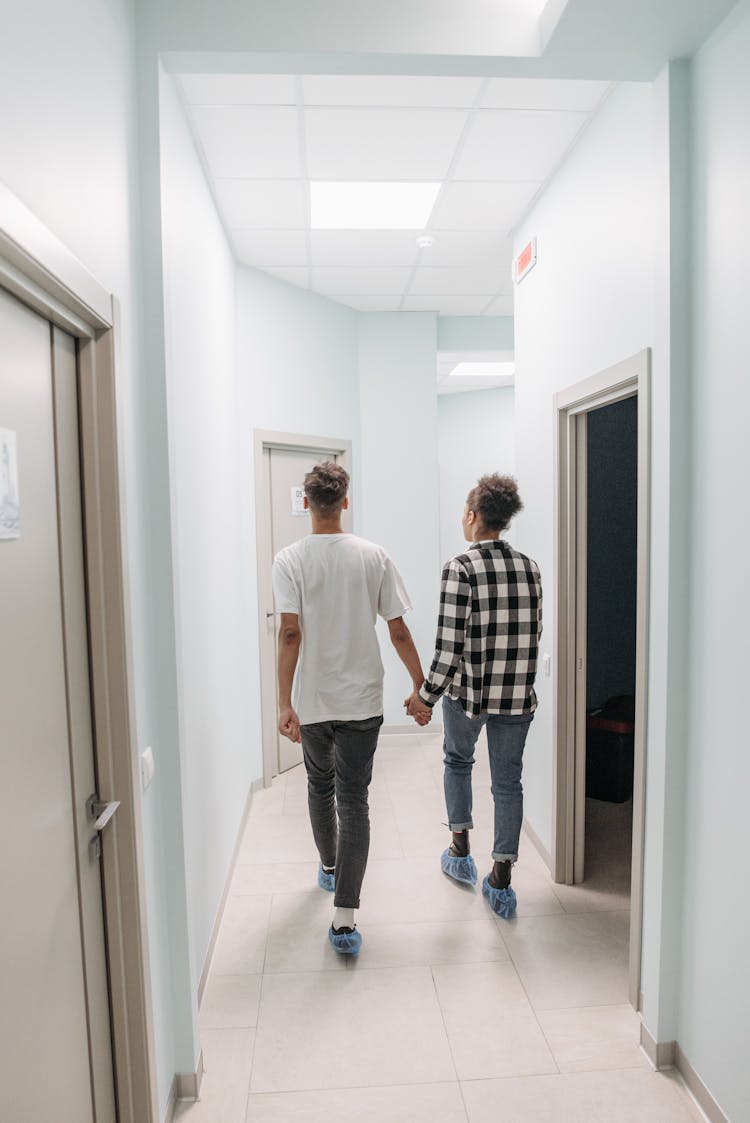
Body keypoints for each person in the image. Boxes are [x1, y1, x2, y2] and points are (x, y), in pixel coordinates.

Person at [272, 461, 428, 956]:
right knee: (354, 799)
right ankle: (345, 919)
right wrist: (420, 685)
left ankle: (331, 866)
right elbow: (397, 628)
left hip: (315, 701)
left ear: (306, 504)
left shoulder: (289, 560)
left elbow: (290, 632)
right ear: (344, 501)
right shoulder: (373, 555)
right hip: (362, 700)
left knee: (320, 784)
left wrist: (284, 703)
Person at [406, 474, 542, 918]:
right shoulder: (530, 567)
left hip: (469, 696)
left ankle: (460, 852)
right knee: (508, 782)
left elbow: (448, 648)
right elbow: (532, 634)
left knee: (458, 763)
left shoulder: (460, 568)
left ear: (471, 515)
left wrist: (424, 698)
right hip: (518, 696)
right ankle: (501, 877)